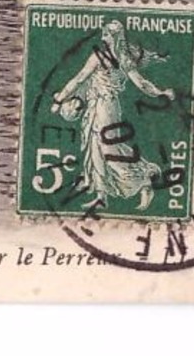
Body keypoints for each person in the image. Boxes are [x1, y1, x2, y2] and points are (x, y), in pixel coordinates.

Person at [51, 19, 175, 212]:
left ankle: (144, 180)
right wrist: (160, 92)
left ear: (113, 37)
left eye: (107, 34)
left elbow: (79, 79)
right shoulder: (125, 57)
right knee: (95, 148)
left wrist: (59, 100)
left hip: (105, 106)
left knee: (109, 149)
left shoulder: (101, 57)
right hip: (99, 104)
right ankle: (101, 195)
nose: (103, 37)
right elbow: (141, 80)